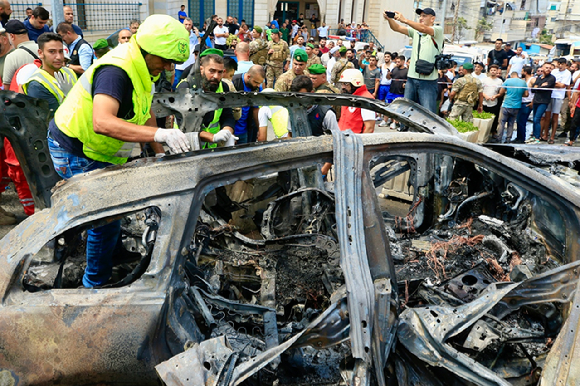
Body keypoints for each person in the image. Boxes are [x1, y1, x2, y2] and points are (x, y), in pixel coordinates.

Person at [47, 15, 192, 288]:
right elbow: (102, 122)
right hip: (75, 149)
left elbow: (145, 110)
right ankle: (95, 284)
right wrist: (159, 134)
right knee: (105, 221)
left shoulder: (144, 68)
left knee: (118, 206)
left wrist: (159, 153)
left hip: (100, 150)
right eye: (165, 60)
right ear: (147, 50)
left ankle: (112, 256)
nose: (169, 67)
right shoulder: (117, 71)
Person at [384, 7, 443, 114]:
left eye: (424, 16)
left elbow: (424, 29)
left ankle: (427, 131)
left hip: (428, 80)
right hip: (411, 78)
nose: (421, 18)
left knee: (427, 112)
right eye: (420, 16)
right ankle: (405, 130)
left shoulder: (437, 30)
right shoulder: (416, 31)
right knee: (406, 111)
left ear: (432, 19)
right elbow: (397, 28)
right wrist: (390, 19)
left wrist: (405, 20)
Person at [22, 32, 77, 114]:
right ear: (40, 53)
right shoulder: (36, 85)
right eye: (52, 52)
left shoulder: (69, 72)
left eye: (61, 52)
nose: (58, 57)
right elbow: (52, 119)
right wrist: (68, 96)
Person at [232, 65, 265, 143]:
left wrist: (259, 130)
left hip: (245, 130)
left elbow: (255, 110)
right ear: (248, 76)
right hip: (232, 129)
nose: (258, 85)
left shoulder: (257, 88)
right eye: (256, 82)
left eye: (260, 83)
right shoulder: (234, 82)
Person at [2, 20, 38, 89]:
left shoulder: (12, 57)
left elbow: (7, 87)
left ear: (12, 36)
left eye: (7, 36)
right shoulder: (43, 49)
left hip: (24, 98)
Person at [542, 58, 570, 143]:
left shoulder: (567, 73)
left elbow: (562, 85)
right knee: (547, 116)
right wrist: (554, 83)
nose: (560, 66)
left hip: (558, 96)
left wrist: (552, 83)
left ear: (565, 64)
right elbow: (548, 81)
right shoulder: (554, 71)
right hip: (550, 95)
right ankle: (546, 134)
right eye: (559, 64)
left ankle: (552, 137)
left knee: (555, 116)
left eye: (562, 64)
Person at [337, 69, 375, 133]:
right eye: (342, 84)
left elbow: (369, 128)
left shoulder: (366, 99)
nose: (343, 87)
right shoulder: (349, 96)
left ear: (355, 84)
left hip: (355, 141)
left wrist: (362, 142)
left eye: (346, 84)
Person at [496, 71, 528, 143]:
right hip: (516, 106)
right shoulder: (523, 82)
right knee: (511, 123)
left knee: (502, 122)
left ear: (511, 75)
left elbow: (501, 92)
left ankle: (499, 138)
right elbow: (526, 94)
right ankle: (508, 139)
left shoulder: (508, 81)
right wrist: (519, 95)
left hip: (506, 104)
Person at [528, 62, 556, 143]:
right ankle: (534, 136)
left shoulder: (551, 78)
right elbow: (533, 89)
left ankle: (537, 137)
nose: (548, 69)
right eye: (546, 67)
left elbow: (544, 88)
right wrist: (541, 86)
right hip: (536, 100)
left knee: (537, 118)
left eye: (550, 68)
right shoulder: (539, 78)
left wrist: (538, 87)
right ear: (542, 68)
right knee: (534, 119)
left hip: (544, 101)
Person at [481, 64, 503, 138]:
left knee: (494, 118)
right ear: (489, 71)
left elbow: (501, 93)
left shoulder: (499, 81)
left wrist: (496, 96)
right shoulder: (484, 80)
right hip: (484, 102)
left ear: (497, 71)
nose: (493, 72)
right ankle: (483, 132)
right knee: (483, 118)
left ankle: (493, 131)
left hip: (494, 103)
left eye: (495, 70)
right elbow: (480, 91)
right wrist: (485, 96)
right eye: (492, 70)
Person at [516, 66, 535, 143]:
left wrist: (532, 102)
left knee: (522, 121)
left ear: (525, 72)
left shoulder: (532, 80)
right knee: (519, 121)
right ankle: (519, 137)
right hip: (522, 102)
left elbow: (536, 91)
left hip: (527, 103)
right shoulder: (524, 80)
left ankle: (521, 139)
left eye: (522, 71)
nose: (521, 73)